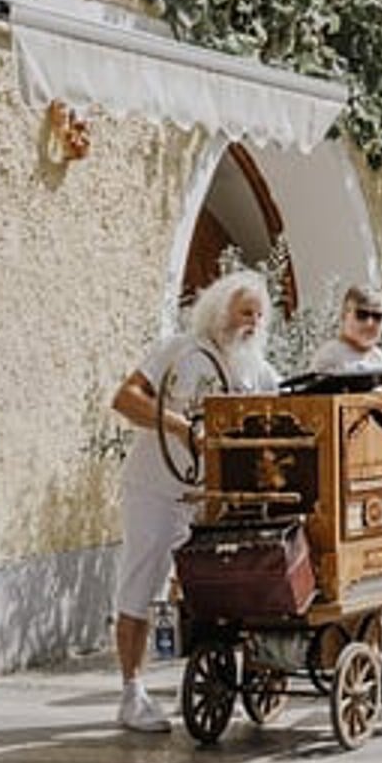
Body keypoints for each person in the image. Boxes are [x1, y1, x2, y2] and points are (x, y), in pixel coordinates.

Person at [108, 270, 280, 732]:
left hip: (215, 502)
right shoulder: (178, 351)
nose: (253, 322)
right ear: (221, 310)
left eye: (260, 315)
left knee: (229, 590)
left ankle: (225, 681)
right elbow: (125, 398)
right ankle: (131, 692)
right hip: (157, 489)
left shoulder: (258, 372)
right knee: (141, 584)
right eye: (245, 311)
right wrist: (182, 426)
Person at [307, 283, 382, 373]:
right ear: (344, 315)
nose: (369, 323)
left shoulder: (378, 357)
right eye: (362, 315)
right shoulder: (330, 356)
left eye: (377, 316)